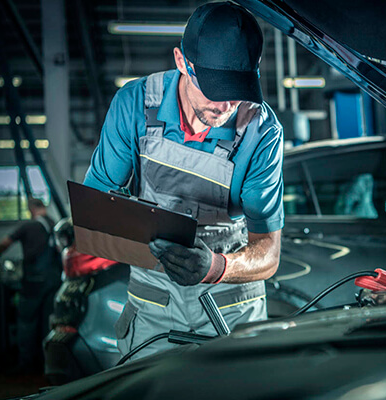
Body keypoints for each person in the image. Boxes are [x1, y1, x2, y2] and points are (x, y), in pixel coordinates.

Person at [83, 2, 284, 359]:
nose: (225, 107)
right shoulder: (135, 105)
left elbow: (268, 253)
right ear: (182, 62)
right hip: (153, 306)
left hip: (231, 308)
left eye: (235, 89)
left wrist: (217, 267)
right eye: (213, 88)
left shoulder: (260, 131)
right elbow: (95, 211)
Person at [0, 198, 62, 371]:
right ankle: (47, 363)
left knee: (27, 321)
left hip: (33, 283)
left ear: (31, 208)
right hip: (54, 280)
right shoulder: (54, 225)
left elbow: (5, 243)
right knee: (48, 322)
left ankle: (26, 364)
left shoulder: (29, 226)